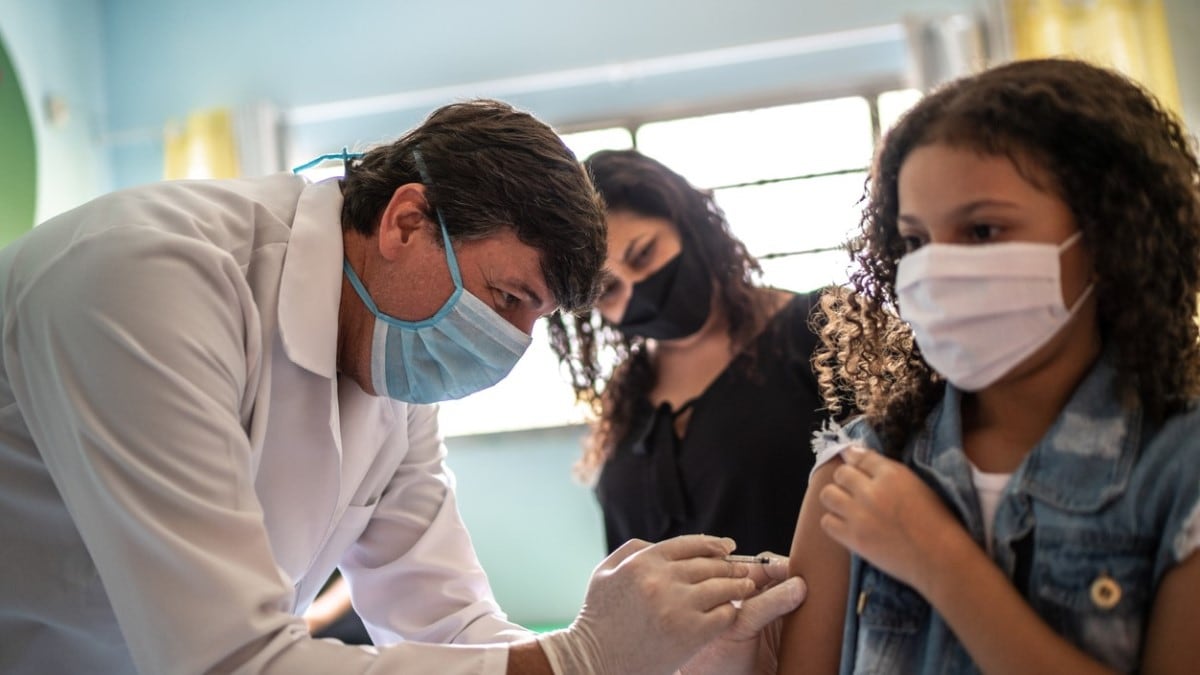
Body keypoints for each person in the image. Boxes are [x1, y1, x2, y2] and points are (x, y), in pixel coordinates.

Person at [0, 99, 804, 675]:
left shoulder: (393, 369)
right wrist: (580, 657)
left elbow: (450, 621)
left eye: (538, 318)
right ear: (407, 221)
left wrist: (652, 655)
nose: (513, 343)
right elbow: (229, 659)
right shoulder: (144, 282)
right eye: (508, 297)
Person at [775, 58, 1200, 674]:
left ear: (1110, 238)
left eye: (981, 230)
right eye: (916, 241)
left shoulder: (1182, 472)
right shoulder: (857, 471)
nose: (937, 271)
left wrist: (941, 562)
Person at [548, 149, 837, 558]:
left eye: (644, 254)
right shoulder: (626, 394)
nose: (639, 291)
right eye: (609, 290)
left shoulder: (820, 327)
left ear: (688, 223)